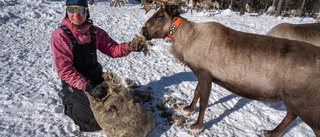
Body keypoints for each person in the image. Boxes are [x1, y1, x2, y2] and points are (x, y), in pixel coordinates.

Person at [50, 0, 145, 132]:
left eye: (81, 10)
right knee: (92, 122)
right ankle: (68, 100)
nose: (76, 14)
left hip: (95, 77)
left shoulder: (94, 32)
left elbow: (112, 49)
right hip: (76, 83)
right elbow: (65, 70)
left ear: (86, 12)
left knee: (119, 108)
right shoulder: (60, 36)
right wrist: (88, 87)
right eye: (72, 10)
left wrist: (130, 46)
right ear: (67, 11)